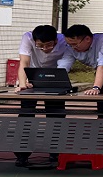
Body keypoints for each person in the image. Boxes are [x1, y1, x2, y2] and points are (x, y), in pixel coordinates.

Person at [14, 24, 76, 168]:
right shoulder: (27, 38)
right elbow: (24, 62)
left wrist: (57, 80)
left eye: (49, 45)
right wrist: (23, 84)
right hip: (32, 78)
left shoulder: (64, 41)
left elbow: (65, 64)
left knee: (56, 116)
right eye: (40, 46)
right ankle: (22, 155)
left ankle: (55, 153)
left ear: (56, 40)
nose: (45, 49)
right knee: (26, 115)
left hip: (55, 79)